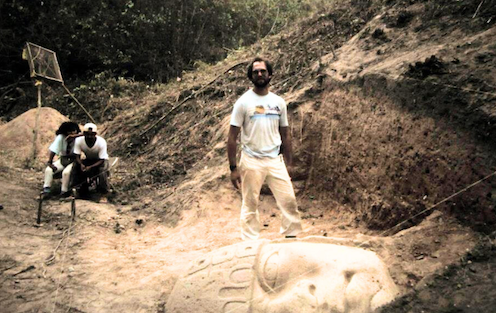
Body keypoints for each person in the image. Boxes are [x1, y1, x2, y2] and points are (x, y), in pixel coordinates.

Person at [227, 57, 303, 240]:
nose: (259, 74)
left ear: (270, 74)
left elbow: (285, 134)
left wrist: (289, 163)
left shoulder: (279, 103)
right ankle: (250, 244)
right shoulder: (243, 103)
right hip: (251, 160)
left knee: (289, 201)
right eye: (255, 72)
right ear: (250, 76)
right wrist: (233, 168)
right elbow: (231, 137)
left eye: (263, 71)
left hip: (275, 161)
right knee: (250, 204)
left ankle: (291, 238)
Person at [71, 123, 110, 199]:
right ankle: (77, 189)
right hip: (89, 159)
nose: (89, 137)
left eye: (92, 135)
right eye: (87, 134)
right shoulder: (79, 140)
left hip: (100, 160)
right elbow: (77, 156)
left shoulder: (101, 142)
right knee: (76, 166)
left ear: (95, 134)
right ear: (83, 134)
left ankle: (104, 193)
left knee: (102, 171)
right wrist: (81, 164)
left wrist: (90, 167)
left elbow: (102, 160)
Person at [42, 121, 81, 197]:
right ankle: (46, 190)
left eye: (74, 131)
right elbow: (54, 150)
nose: (72, 133)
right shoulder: (61, 137)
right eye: (70, 131)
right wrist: (50, 162)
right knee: (49, 170)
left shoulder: (79, 138)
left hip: (74, 160)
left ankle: (64, 191)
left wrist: (74, 136)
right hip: (63, 159)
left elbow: (86, 135)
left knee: (66, 173)